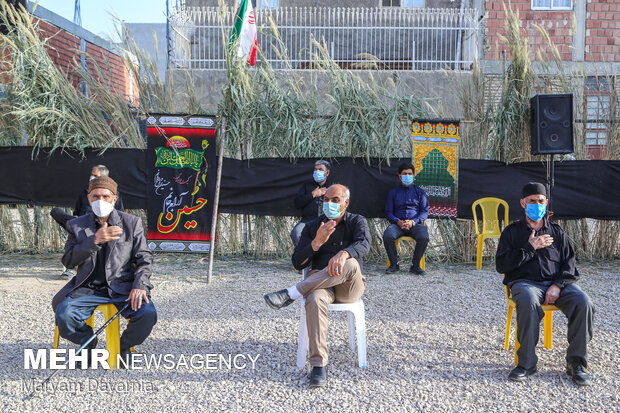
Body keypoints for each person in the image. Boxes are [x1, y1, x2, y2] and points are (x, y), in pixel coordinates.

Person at [264, 184, 371, 388]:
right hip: (321, 285)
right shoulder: (313, 226)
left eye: (335, 200)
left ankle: (292, 292)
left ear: (346, 203)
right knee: (313, 298)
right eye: (327, 200)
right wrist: (316, 243)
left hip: (349, 286)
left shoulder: (357, 221)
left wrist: (344, 253)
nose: (329, 204)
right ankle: (319, 365)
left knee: (350, 263)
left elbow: (365, 244)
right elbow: (297, 262)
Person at [52, 176, 157, 367]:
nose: (101, 200)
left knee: (147, 314)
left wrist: (139, 285)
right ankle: (87, 343)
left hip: (122, 286)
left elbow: (144, 258)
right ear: (89, 198)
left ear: (114, 199)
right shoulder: (77, 225)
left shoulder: (131, 223)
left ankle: (123, 346)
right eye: (96, 196)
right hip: (88, 288)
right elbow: (68, 261)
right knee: (64, 314)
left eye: (106, 196)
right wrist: (93, 241)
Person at [496, 182, 594, 386]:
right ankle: (527, 364)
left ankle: (576, 363)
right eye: (532, 201)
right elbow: (502, 264)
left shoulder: (557, 232)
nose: (537, 205)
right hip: (526, 284)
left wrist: (558, 285)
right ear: (523, 204)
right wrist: (529, 247)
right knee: (528, 299)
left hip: (557, 284)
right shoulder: (511, 232)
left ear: (546, 202)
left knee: (583, 301)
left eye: (541, 201)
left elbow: (570, 264)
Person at [50, 165, 125, 278]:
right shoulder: (85, 193)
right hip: (81, 224)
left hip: (102, 225)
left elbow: (119, 214)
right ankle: (71, 266)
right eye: (91, 175)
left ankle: (72, 270)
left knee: (83, 237)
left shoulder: (113, 194)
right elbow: (77, 210)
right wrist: (76, 219)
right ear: (90, 197)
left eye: (95, 175)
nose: (92, 177)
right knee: (56, 212)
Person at [383, 162, 429, 275]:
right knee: (387, 235)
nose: (407, 176)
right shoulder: (393, 192)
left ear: (414, 176)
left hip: (415, 224)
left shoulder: (421, 193)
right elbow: (388, 212)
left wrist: (413, 222)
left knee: (424, 237)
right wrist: (398, 221)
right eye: (405, 174)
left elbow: (424, 212)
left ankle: (415, 266)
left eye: (410, 173)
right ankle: (394, 265)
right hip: (397, 224)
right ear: (400, 176)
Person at [290, 160, 332, 246]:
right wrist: (313, 194)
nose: (317, 172)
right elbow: (297, 203)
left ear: (327, 173)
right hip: (308, 220)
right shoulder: (307, 186)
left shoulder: (332, 187)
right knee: (296, 233)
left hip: (327, 221)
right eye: (315, 170)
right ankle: (305, 256)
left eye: (320, 169)